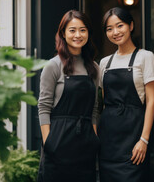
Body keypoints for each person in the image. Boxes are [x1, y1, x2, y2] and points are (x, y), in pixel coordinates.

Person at [37, 10, 100, 182]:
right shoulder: (53, 66)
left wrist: (93, 138)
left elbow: (94, 109)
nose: (78, 35)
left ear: (88, 33)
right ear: (63, 33)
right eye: (72, 30)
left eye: (83, 30)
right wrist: (49, 143)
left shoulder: (94, 67)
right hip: (58, 143)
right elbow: (43, 107)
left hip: (85, 145)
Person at [98, 7, 154, 182]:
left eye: (120, 26)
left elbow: (151, 101)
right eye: (109, 29)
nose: (115, 32)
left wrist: (144, 140)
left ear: (131, 26)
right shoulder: (104, 63)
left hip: (134, 137)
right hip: (108, 139)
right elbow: (102, 103)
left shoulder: (146, 57)